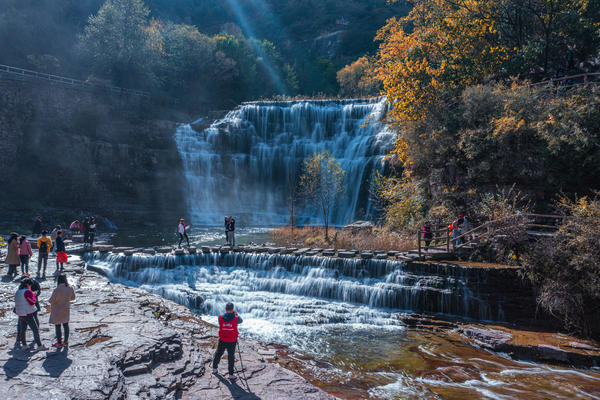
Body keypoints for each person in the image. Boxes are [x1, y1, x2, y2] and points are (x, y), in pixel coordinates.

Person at [212, 302, 243, 380]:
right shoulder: (236, 318)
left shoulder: (220, 317)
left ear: (225, 309)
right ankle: (231, 374)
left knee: (218, 353)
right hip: (232, 340)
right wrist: (235, 314)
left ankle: (214, 369)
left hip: (222, 339)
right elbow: (241, 320)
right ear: (232, 309)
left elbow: (220, 323)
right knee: (231, 356)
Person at [14, 278, 45, 351]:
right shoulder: (27, 292)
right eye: (30, 285)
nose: (30, 286)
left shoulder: (18, 291)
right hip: (27, 313)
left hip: (20, 313)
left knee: (23, 330)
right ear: (28, 284)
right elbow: (32, 302)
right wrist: (33, 294)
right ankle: (39, 346)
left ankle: (24, 345)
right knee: (35, 329)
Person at [49, 274, 76, 348]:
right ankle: (65, 342)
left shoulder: (57, 290)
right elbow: (73, 298)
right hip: (66, 309)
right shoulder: (70, 288)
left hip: (57, 310)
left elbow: (51, 300)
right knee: (65, 325)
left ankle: (59, 343)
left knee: (57, 325)